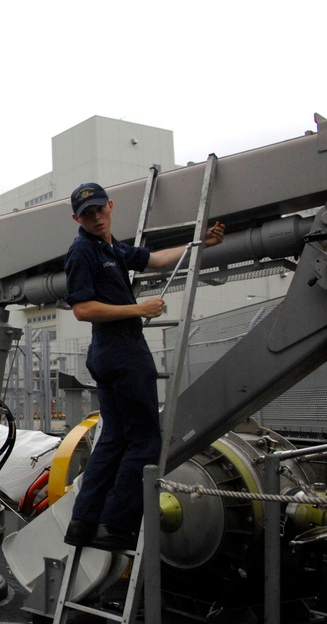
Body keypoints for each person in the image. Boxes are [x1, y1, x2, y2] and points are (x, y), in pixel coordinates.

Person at [61, 183, 224, 551]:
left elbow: (156, 259)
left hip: (111, 351)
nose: (96, 217)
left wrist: (200, 244)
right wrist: (139, 309)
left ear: (110, 206)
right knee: (145, 439)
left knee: (115, 437)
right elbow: (83, 309)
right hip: (122, 350)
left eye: (99, 209)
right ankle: (117, 525)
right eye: (87, 214)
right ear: (76, 219)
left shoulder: (111, 247)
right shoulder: (83, 251)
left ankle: (83, 523)